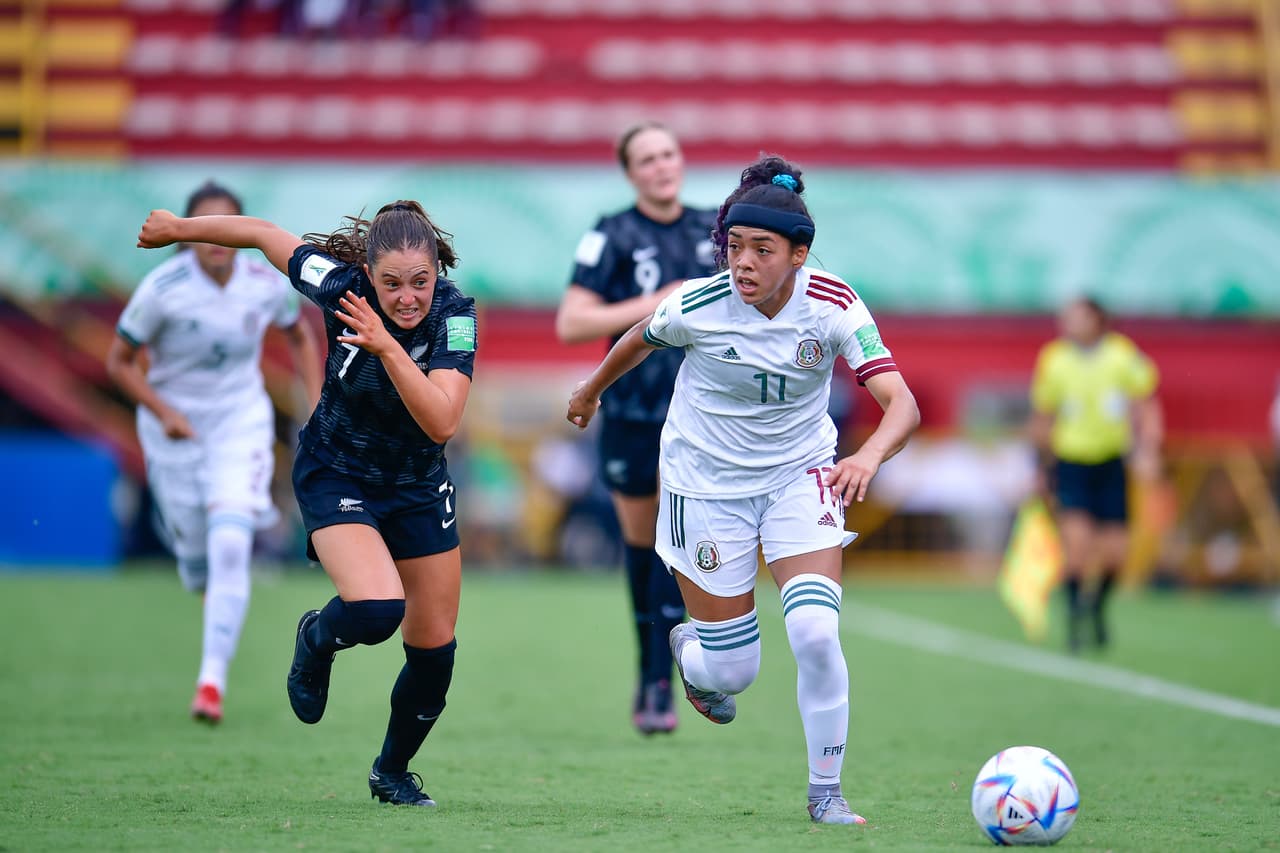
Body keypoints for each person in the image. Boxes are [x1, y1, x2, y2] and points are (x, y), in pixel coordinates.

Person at [566, 156, 920, 825]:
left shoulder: (834, 304)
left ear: (799, 254)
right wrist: (589, 392)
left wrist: (868, 455)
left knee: (816, 631)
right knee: (732, 674)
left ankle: (827, 793)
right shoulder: (699, 303)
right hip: (705, 487)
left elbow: (899, 402)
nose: (744, 263)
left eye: (762, 250)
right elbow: (636, 340)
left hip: (799, 477)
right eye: (734, 247)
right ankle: (689, 649)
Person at [136, 198, 477, 807]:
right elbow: (265, 234)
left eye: (419, 282)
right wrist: (178, 231)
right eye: (391, 283)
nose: (406, 297)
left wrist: (386, 346)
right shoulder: (341, 287)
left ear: (436, 275)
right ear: (368, 274)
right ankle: (316, 639)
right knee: (375, 613)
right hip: (336, 471)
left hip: (419, 485)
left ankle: (391, 772)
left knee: (435, 652)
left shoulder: (455, 316)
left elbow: (443, 421)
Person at [107, 181, 322, 725]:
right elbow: (119, 363)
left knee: (232, 539)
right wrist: (163, 412)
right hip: (174, 434)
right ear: (189, 234)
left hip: (239, 424)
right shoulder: (163, 289)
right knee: (200, 563)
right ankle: (202, 580)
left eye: (226, 226)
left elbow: (299, 335)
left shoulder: (263, 284)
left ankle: (211, 682)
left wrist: (315, 404)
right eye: (204, 227)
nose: (216, 239)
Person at [555, 121, 719, 735]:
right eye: (647, 159)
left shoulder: (716, 229)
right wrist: (661, 305)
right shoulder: (611, 234)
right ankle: (652, 677)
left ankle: (681, 669)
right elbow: (572, 322)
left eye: (669, 153)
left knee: (684, 543)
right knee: (645, 546)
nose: (661, 166)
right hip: (631, 411)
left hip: (704, 417)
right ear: (630, 173)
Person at [1029, 296, 1161, 652]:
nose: (1068, 322)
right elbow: (1044, 415)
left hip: (1111, 463)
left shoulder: (1122, 355)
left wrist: (1147, 449)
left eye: (1077, 316)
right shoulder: (1054, 358)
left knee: (1117, 554)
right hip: (1071, 463)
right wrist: (1040, 466)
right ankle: (1074, 619)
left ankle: (1097, 607)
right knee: (1077, 548)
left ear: (1097, 319)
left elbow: (1145, 404)